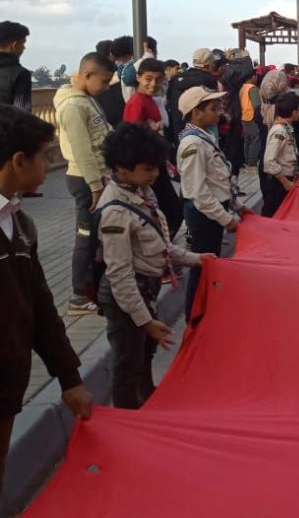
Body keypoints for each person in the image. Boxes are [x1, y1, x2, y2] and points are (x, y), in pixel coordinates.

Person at [0, 106, 93, 499]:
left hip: (8, 386)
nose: (51, 164)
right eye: (46, 156)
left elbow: (40, 307)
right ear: (19, 161)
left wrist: (69, 378)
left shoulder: (21, 225)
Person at [95, 124, 211, 409]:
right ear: (122, 168)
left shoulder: (141, 193)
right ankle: (129, 416)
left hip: (145, 290)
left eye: (156, 167)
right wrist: (145, 321)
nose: (155, 174)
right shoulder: (115, 212)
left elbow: (162, 246)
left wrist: (197, 259)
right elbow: (120, 275)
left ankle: (148, 397)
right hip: (127, 299)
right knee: (128, 362)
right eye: (148, 169)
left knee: (144, 353)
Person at [55, 53, 116, 313]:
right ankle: (78, 296)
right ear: (87, 75)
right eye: (104, 81)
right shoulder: (72, 106)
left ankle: (95, 287)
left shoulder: (87, 100)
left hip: (97, 177)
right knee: (86, 237)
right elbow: (82, 151)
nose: (106, 87)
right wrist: (95, 186)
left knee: (98, 237)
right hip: (85, 179)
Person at [177, 86, 241, 321]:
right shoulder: (193, 145)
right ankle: (195, 316)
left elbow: (218, 180)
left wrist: (235, 206)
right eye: (213, 109)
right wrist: (226, 219)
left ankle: (206, 309)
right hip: (204, 214)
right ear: (196, 113)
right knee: (203, 265)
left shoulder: (204, 137)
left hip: (213, 211)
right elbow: (199, 193)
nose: (218, 112)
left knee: (211, 262)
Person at [121, 58, 183, 238]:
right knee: (170, 211)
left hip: (154, 162)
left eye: (158, 79)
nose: (153, 84)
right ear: (138, 78)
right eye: (148, 79)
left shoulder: (149, 100)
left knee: (169, 211)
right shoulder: (137, 102)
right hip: (146, 164)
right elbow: (131, 137)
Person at [262, 94, 299, 218]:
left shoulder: (286, 127)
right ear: (294, 112)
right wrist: (285, 182)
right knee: (274, 215)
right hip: (278, 183)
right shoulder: (280, 130)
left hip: (287, 178)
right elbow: (269, 161)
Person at [167, 49, 218, 138]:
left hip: (178, 127)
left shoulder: (176, 78)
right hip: (200, 129)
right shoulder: (209, 80)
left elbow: (169, 100)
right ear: (210, 65)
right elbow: (211, 105)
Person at [0, 21, 32, 110]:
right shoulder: (20, 74)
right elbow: (21, 112)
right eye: (23, 44)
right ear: (14, 45)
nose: (24, 48)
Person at [239, 68, 263, 168]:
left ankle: (247, 160)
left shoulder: (242, 87)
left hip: (244, 116)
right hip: (252, 117)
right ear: (253, 77)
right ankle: (252, 161)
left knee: (248, 140)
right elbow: (257, 105)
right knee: (256, 140)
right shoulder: (252, 88)